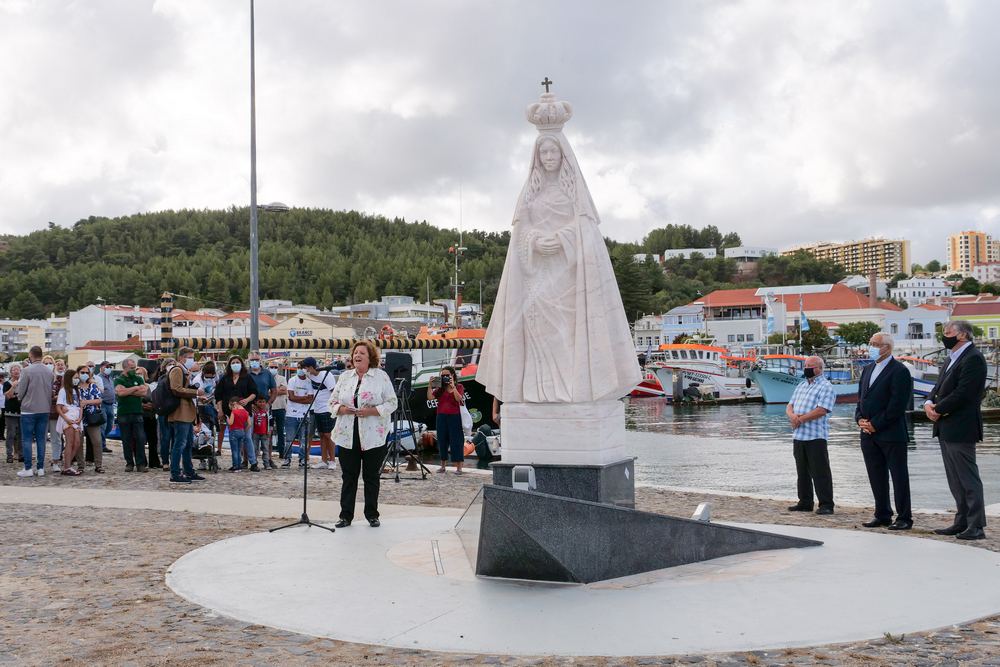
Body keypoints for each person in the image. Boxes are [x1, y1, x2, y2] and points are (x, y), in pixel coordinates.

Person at [476, 96, 640, 403]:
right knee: (538, 334)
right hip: (537, 277)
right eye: (543, 152)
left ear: (564, 155)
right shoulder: (530, 194)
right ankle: (539, 392)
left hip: (567, 279)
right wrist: (535, 241)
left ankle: (573, 391)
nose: (549, 156)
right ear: (536, 157)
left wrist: (563, 238)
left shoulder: (574, 193)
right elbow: (519, 234)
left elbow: (586, 232)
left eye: (553, 151)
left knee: (567, 337)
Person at [924, 320, 989, 540]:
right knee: (955, 479)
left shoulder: (973, 358)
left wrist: (938, 409)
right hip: (945, 427)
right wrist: (928, 403)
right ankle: (961, 521)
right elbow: (939, 386)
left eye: (948, 332)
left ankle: (976, 525)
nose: (945, 336)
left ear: (962, 335)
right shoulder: (951, 358)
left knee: (968, 478)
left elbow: (964, 393)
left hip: (961, 426)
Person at [329, 341, 397, 527]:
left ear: (370, 358)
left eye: (362, 353)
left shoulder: (380, 377)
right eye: (355, 353)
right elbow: (331, 402)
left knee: (371, 476)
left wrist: (371, 411)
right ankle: (345, 516)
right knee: (348, 476)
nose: (357, 356)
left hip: (373, 435)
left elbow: (392, 403)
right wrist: (341, 409)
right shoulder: (344, 377)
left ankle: (372, 514)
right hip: (347, 434)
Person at [855, 333, 913, 530]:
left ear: (886, 347)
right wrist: (859, 420)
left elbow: (897, 405)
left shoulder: (899, 371)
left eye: (874, 344)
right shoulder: (867, 369)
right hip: (868, 434)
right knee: (875, 474)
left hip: (891, 433)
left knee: (898, 476)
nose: (870, 347)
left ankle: (904, 517)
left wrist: (876, 424)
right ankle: (882, 513)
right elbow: (861, 398)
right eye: (870, 343)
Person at [785, 356, 836, 515]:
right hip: (799, 435)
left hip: (815, 436)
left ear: (819, 368)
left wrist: (800, 419)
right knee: (802, 472)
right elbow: (790, 405)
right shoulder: (801, 385)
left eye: (810, 366)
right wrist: (792, 416)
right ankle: (805, 501)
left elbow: (822, 410)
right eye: (805, 365)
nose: (806, 368)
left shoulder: (826, 387)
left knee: (820, 472)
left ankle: (826, 504)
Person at [167, 347, 204, 484]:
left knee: (187, 443)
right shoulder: (177, 370)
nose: (192, 360)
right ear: (182, 357)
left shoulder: (184, 371)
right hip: (180, 412)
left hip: (187, 413)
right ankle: (175, 473)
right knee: (180, 443)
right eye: (190, 357)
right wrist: (195, 393)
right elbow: (176, 389)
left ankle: (189, 471)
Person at [16, 346, 53, 477]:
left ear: (31, 355)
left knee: (27, 439)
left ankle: (28, 468)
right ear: (41, 355)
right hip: (44, 409)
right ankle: (41, 468)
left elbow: (21, 392)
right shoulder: (49, 372)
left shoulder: (26, 371)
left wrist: (20, 398)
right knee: (41, 439)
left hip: (29, 409)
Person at [214, 356, 256, 461]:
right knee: (233, 439)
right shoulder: (224, 378)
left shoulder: (247, 377)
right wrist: (220, 410)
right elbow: (218, 395)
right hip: (230, 413)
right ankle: (236, 462)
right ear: (229, 365)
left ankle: (253, 461)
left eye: (237, 362)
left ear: (241, 364)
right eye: (233, 362)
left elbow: (254, 392)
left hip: (244, 412)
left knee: (247, 438)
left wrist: (247, 400)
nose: (235, 364)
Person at [428, 366, 466, 474]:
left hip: (455, 417)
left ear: (452, 375)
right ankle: (443, 466)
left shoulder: (459, 386)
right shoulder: (440, 389)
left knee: (457, 441)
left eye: (447, 375)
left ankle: (459, 468)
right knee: (442, 440)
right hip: (441, 417)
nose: (444, 377)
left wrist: (453, 386)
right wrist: (430, 385)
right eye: (442, 375)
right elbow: (430, 398)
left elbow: (459, 399)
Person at [303, 357, 338, 470]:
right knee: (322, 435)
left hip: (327, 409)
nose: (305, 370)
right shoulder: (310, 376)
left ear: (311, 367)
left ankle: (332, 460)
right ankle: (323, 460)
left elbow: (334, 392)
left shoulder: (327, 376)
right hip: (317, 409)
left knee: (329, 435)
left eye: (306, 368)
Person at [114, 358, 148, 472]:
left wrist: (128, 391)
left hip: (137, 412)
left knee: (140, 438)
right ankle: (129, 463)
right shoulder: (119, 379)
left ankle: (141, 463)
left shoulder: (138, 378)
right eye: (132, 368)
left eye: (135, 367)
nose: (134, 370)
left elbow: (143, 392)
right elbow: (120, 392)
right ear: (125, 368)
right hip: (124, 412)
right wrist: (135, 388)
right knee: (126, 439)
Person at [282, 362, 316, 468]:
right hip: (291, 415)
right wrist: (304, 398)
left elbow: (311, 399)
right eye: (298, 368)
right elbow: (291, 397)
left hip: (305, 415)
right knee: (289, 439)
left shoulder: (309, 382)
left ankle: (303, 460)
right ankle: (287, 459)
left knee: (304, 440)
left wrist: (299, 398)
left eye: (302, 368)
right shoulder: (292, 380)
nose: (300, 369)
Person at [55, 368, 84, 476]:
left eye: (77, 378)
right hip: (68, 418)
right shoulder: (63, 391)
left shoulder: (78, 390)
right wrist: (66, 419)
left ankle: (68, 464)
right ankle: (67, 467)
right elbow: (59, 407)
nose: (77, 380)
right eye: (75, 378)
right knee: (70, 442)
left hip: (76, 418)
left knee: (77, 443)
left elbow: (81, 406)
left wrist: (80, 417)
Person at [77, 365, 105, 473]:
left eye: (86, 373)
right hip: (78, 418)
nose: (84, 374)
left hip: (92, 417)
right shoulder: (75, 386)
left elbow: (99, 400)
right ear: (78, 373)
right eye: (82, 372)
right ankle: (80, 465)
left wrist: (86, 402)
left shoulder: (93, 386)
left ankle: (98, 465)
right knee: (79, 443)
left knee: (97, 441)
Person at [134, 366, 160, 469]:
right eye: (137, 374)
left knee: (153, 440)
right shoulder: (132, 387)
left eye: (141, 374)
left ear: (145, 376)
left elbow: (156, 400)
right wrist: (141, 405)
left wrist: (152, 405)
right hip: (138, 416)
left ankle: (154, 462)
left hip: (150, 416)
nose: (139, 376)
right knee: (139, 440)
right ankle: (141, 462)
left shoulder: (151, 387)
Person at [47, 357, 65, 472]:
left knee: (56, 438)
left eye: (50, 363)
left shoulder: (61, 378)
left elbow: (63, 395)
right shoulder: (43, 378)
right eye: (46, 363)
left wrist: (54, 397)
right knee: (41, 439)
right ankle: (40, 462)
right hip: (41, 411)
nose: (48, 365)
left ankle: (55, 461)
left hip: (54, 412)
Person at [268, 361, 288, 466]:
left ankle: (281, 452)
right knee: (268, 432)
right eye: (272, 367)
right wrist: (277, 389)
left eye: (275, 367)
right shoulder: (266, 377)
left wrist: (271, 391)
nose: (273, 368)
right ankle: (268, 454)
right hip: (270, 407)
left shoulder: (282, 378)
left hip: (280, 407)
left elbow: (285, 390)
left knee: (281, 431)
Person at [226, 397, 252, 472]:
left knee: (234, 450)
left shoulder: (234, 412)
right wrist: (244, 430)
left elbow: (230, 423)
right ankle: (239, 466)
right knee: (239, 450)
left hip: (234, 431)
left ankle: (235, 466)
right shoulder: (246, 412)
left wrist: (227, 418)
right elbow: (249, 424)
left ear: (234, 404)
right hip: (242, 431)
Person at [4, 365, 21, 464]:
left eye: (18, 369)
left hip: (22, 412)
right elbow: (9, 396)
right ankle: (9, 455)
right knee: (11, 435)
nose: (16, 371)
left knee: (21, 435)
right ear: (11, 372)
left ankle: (21, 454)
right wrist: (13, 386)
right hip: (10, 413)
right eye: (14, 369)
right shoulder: (7, 383)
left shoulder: (23, 382)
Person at [98, 361, 117, 453]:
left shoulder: (110, 378)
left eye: (110, 367)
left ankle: (102, 441)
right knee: (103, 425)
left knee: (109, 425)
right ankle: (102, 445)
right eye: (107, 366)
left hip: (111, 404)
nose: (109, 368)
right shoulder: (98, 378)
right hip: (102, 404)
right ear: (101, 367)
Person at [251, 396, 274, 469]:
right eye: (259, 402)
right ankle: (254, 463)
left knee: (265, 449)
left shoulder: (267, 411)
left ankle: (266, 464)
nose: (261, 404)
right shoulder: (254, 412)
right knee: (254, 449)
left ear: (266, 403)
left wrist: (269, 430)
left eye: (263, 402)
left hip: (265, 433)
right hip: (255, 433)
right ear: (256, 402)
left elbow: (271, 421)